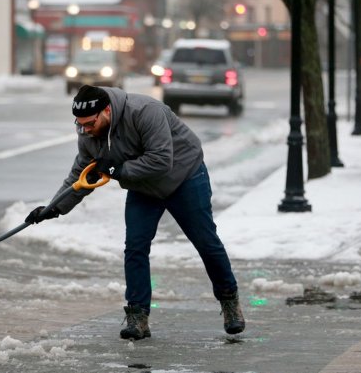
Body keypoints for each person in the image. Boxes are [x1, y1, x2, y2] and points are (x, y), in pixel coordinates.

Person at [25, 85, 245, 340]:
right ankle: (138, 316)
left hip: (184, 176)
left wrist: (118, 170)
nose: (84, 130)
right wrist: (53, 209)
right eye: (79, 124)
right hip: (144, 188)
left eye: (89, 123)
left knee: (205, 242)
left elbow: (162, 159)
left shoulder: (145, 112)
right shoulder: (88, 134)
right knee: (135, 247)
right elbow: (80, 175)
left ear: (106, 111)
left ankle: (230, 301)